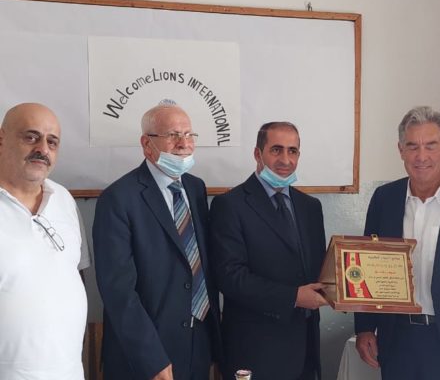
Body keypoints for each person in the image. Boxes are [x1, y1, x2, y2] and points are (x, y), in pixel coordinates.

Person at [93, 101, 221, 380]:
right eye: (173, 135)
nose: (183, 144)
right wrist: (151, 359)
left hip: (197, 345)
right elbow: (118, 292)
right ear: (146, 144)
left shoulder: (195, 188)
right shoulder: (118, 199)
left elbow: (197, 267)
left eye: (188, 135)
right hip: (145, 355)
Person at [210, 121, 328, 380]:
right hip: (255, 351)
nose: (285, 160)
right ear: (257, 154)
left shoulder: (310, 207)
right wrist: (293, 297)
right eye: (276, 150)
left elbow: (320, 270)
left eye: (292, 151)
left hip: (305, 349)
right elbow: (230, 278)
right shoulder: (230, 205)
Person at [0, 103, 91, 380]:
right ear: (1, 139)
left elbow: (75, 274)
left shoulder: (63, 198)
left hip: (69, 371)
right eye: (31, 137)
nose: (43, 149)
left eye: (52, 142)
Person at [355, 106, 440, 379]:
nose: (421, 156)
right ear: (401, 150)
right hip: (397, 338)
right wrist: (364, 327)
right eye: (412, 146)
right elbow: (366, 265)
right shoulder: (384, 198)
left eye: (431, 145)